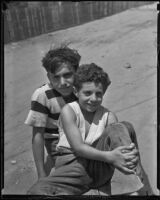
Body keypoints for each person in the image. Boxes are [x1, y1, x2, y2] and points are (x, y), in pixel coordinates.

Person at [27, 63, 145, 195]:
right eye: (87, 93)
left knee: (121, 127)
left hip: (100, 166)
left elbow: (117, 146)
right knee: (37, 191)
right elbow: (78, 148)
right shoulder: (69, 110)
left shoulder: (108, 116)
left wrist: (128, 158)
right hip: (73, 168)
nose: (93, 99)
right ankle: (101, 190)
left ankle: (130, 185)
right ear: (76, 92)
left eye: (98, 94)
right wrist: (110, 156)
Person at [25, 45, 81, 179]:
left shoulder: (80, 89)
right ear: (49, 77)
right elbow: (38, 135)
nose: (63, 83)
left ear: (76, 71)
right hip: (57, 143)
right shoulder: (42, 95)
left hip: (80, 134)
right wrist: (41, 174)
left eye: (67, 75)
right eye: (56, 77)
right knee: (77, 172)